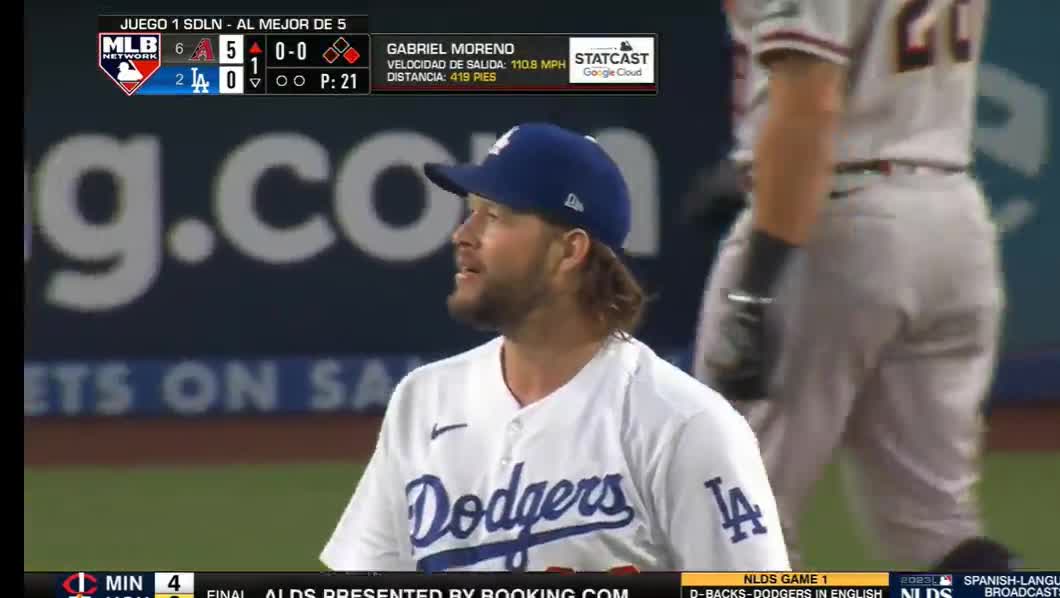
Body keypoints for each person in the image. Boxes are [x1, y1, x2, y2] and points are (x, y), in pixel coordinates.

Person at [320, 122, 791, 572]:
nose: (463, 235)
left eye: (495, 216)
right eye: (471, 212)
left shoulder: (683, 425)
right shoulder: (422, 401)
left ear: (570, 251)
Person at [691, 0, 1019, 571]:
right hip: (953, 215)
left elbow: (811, 104)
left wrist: (755, 286)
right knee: (936, 529)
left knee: (733, 511)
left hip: (835, 217)